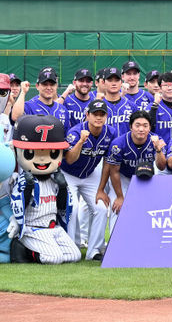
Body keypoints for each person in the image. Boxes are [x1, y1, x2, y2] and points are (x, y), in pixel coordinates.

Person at [62, 99, 115, 261]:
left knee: (100, 208)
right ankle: (72, 249)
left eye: (102, 114)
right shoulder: (76, 132)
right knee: (74, 207)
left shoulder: (110, 132)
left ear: (106, 116)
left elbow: (108, 162)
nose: (98, 118)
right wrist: (80, 142)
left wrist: (101, 188)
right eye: (95, 114)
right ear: (87, 115)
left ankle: (93, 251)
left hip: (90, 175)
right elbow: (69, 159)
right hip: (69, 174)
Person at [97, 110, 162, 227]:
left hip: (146, 177)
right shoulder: (118, 143)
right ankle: (115, 243)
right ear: (131, 127)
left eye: (145, 126)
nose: (141, 129)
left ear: (149, 128)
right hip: (123, 177)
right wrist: (120, 197)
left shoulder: (157, 140)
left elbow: (161, 167)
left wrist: (158, 150)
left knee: (151, 209)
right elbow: (114, 172)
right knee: (117, 207)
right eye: (137, 125)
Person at [100, 67, 135, 138]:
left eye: (117, 80)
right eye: (110, 80)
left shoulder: (132, 106)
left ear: (121, 82)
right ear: (103, 83)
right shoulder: (97, 106)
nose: (114, 83)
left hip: (126, 147)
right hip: (104, 147)